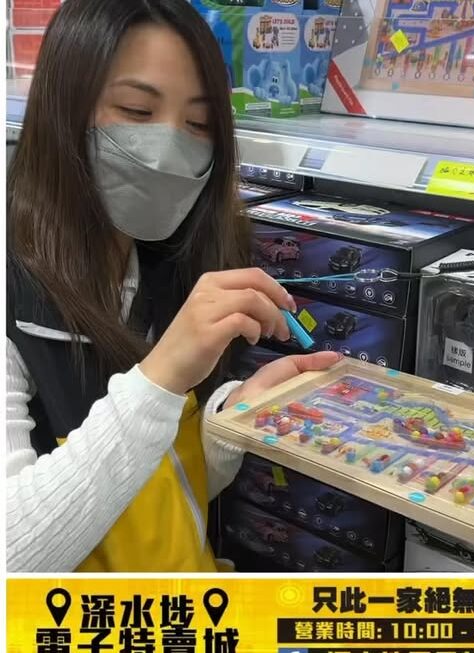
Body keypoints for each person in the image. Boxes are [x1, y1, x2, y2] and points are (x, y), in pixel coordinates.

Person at [6, 0, 340, 573]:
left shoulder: (169, 258)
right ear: (63, 106)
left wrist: (230, 424)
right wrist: (160, 378)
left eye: (199, 125)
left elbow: (158, 494)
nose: (168, 150)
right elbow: (12, 560)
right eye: (136, 110)